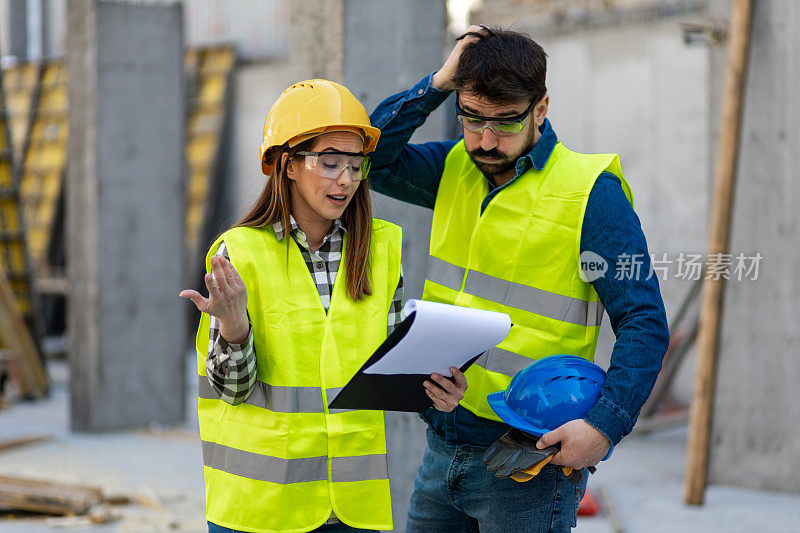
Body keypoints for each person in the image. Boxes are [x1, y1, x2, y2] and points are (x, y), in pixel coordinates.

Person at [367, 26, 670, 531]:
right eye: (472, 118)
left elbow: (643, 320)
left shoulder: (591, 194)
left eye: (505, 122)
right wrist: (439, 83)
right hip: (443, 448)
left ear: (541, 108)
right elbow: (370, 157)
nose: (485, 140)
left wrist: (604, 427)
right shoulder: (453, 168)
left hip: (530, 460)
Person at [180, 79, 467, 533]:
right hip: (261, 507)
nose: (345, 179)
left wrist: (435, 393)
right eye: (329, 162)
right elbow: (232, 392)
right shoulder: (240, 253)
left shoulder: (379, 251)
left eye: (355, 166)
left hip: (354, 505)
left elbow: (389, 369)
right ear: (288, 165)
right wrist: (235, 329)